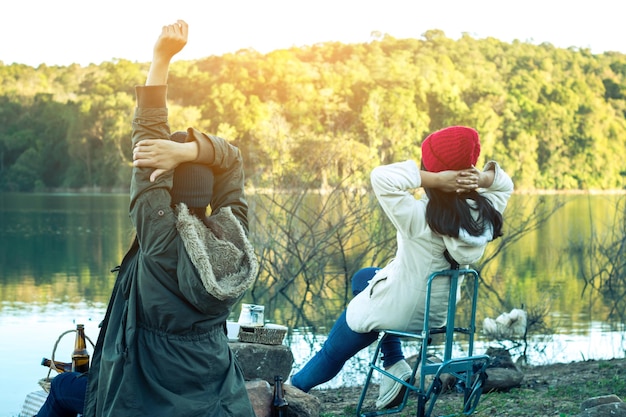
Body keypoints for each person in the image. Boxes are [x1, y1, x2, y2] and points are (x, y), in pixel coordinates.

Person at [37, 20, 258, 417]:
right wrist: (192, 153)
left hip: (144, 398)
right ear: (212, 194)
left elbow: (145, 140)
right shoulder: (234, 238)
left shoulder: (160, 240)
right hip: (213, 399)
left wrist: (161, 59)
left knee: (63, 388)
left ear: (164, 188)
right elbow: (234, 160)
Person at [290, 125, 514, 409]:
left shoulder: (419, 216)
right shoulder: (485, 213)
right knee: (364, 277)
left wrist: (434, 180)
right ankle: (395, 364)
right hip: (438, 310)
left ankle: (291, 391)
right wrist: (479, 178)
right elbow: (504, 183)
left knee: (332, 353)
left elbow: (380, 176)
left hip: (403, 308)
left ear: (437, 171)